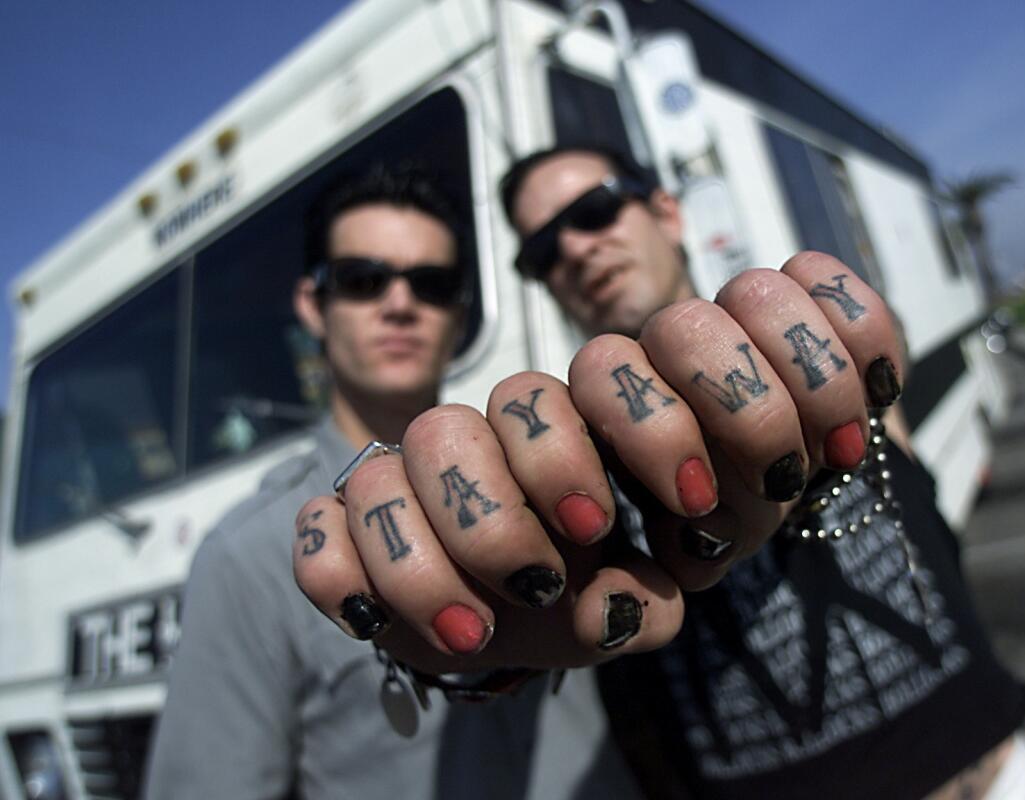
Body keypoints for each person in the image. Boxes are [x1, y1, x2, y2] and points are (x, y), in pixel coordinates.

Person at [296, 147, 1025, 799]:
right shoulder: (570, 458)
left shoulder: (813, 337)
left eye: (594, 210)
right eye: (543, 250)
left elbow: (893, 421)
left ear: (665, 211)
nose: (577, 251)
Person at [144, 163, 648, 800]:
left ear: (459, 311)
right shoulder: (246, 555)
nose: (400, 304)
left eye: (431, 284)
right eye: (363, 280)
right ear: (313, 304)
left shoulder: (544, 469)